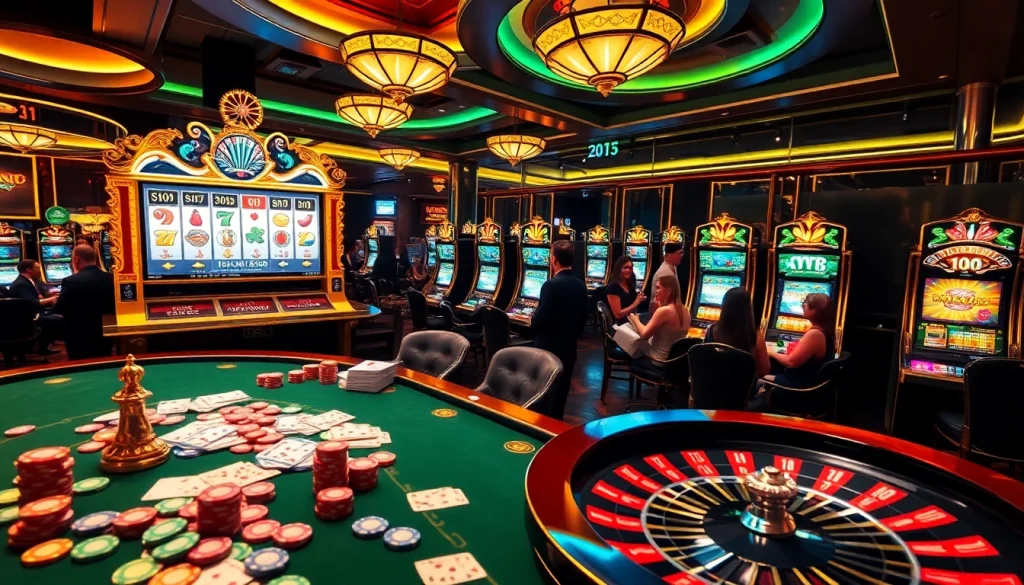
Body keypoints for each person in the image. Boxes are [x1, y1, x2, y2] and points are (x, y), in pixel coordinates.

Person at [531, 240, 588, 420]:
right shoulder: (581, 284)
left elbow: (539, 320)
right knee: (561, 395)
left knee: (544, 394)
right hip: (569, 348)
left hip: (548, 347)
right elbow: (583, 318)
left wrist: (532, 319)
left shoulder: (551, 285)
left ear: (553, 260)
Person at [52, 245, 115, 360]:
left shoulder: (70, 281)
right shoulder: (111, 278)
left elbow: (60, 308)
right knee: (104, 361)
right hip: (104, 331)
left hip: (78, 334)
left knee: (80, 364)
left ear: (77, 259)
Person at [767, 293, 836, 387]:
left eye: (805, 303)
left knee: (757, 377)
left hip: (797, 385)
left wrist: (771, 352)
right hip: (804, 379)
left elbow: (791, 362)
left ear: (815, 310)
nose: (803, 306)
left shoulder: (815, 334)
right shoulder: (825, 330)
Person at [704, 287, 770, 377]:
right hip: (742, 390)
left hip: (711, 387)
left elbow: (704, 360)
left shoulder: (712, 331)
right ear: (748, 309)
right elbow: (765, 370)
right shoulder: (755, 337)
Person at [627, 274, 690, 361]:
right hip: (675, 361)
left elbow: (644, 335)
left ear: (668, 291)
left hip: (658, 359)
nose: (656, 291)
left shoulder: (664, 310)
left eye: (658, 288)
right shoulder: (686, 310)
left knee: (628, 339)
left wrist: (634, 319)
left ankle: (631, 370)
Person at [8, 259, 61, 353]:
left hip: (32, 313)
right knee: (58, 319)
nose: (40, 270)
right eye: (37, 268)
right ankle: (43, 347)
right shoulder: (21, 284)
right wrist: (51, 299)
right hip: (27, 317)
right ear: (28, 270)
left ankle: (43, 344)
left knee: (60, 311)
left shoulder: (27, 281)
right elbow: (32, 303)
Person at [604, 255, 645, 324]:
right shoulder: (613, 286)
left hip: (632, 318)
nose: (628, 270)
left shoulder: (629, 282)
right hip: (621, 324)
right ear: (619, 268)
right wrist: (636, 302)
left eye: (630, 268)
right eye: (625, 267)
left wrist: (640, 298)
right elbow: (618, 315)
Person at [650, 242, 684, 311]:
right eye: (680, 252)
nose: (682, 255)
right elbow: (657, 301)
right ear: (670, 254)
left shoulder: (673, 267)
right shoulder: (664, 273)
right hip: (663, 313)